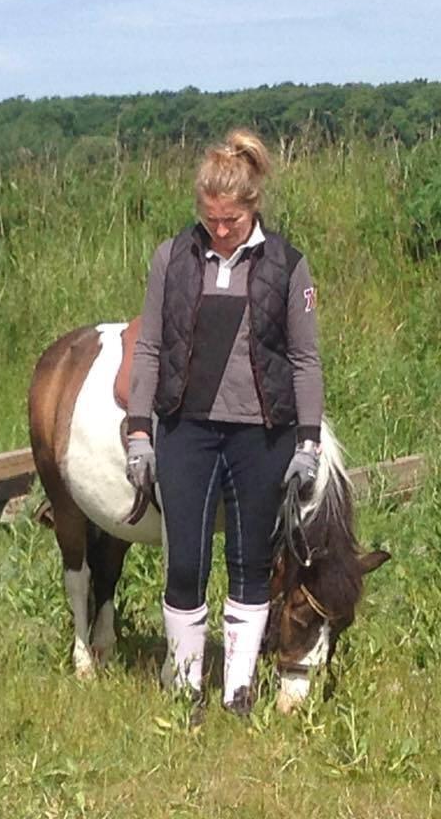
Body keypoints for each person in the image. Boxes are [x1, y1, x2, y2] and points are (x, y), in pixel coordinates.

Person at [124, 129, 322, 715]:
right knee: (185, 561)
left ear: (252, 205)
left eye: (230, 219)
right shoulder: (171, 259)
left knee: (249, 563)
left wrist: (307, 442)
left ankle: (238, 689)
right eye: (210, 218)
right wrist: (140, 430)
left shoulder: (288, 266)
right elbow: (151, 347)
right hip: (188, 430)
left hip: (262, 435)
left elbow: (306, 359)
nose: (220, 229)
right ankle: (185, 683)